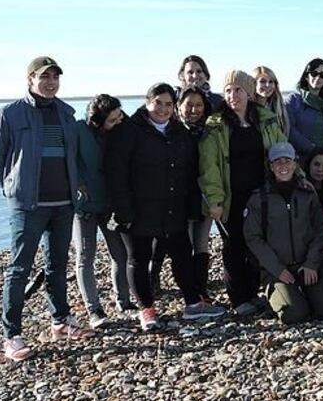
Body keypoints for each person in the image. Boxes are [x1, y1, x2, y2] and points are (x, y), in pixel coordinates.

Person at [0, 56, 93, 361]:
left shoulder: (66, 113)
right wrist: (12, 190)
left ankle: (61, 321)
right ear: (30, 79)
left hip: (63, 205)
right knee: (19, 269)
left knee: (57, 267)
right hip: (28, 207)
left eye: (55, 77)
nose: (50, 82)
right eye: (44, 77)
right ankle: (12, 335)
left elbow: (72, 157)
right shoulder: (10, 114)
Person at [104, 83, 225, 331]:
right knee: (139, 258)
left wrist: (192, 206)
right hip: (138, 210)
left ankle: (193, 303)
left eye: (169, 104)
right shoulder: (130, 130)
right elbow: (116, 172)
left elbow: (190, 172)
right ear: (147, 102)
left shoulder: (178, 132)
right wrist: (124, 210)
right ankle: (146, 309)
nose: (163, 109)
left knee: (182, 254)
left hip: (173, 208)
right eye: (158, 103)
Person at [199, 70, 287, 318]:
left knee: (258, 242)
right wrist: (214, 200)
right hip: (232, 195)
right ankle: (239, 298)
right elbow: (209, 167)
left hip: (262, 192)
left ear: (249, 92)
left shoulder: (266, 119)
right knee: (234, 246)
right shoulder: (215, 125)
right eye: (228, 90)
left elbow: (281, 151)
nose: (232, 95)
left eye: (237, 90)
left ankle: (255, 292)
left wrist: (294, 179)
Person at [243, 143, 323, 324]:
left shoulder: (307, 193)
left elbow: (321, 230)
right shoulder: (259, 198)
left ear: (295, 164)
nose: (283, 167)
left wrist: (312, 263)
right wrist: (277, 269)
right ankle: (276, 294)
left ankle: (305, 293)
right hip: (277, 270)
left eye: (287, 161)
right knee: (295, 315)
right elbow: (253, 238)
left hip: (306, 266)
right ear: (271, 166)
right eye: (278, 162)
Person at [73, 94, 133, 329]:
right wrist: (78, 185)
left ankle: (124, 301)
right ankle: (94, 309)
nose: (117, 122)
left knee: (121, 253)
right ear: (97, 120)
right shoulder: (78, 130)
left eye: (119, 116)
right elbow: (69, 159)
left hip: (109, 203)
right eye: (112, 119)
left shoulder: (120, 130)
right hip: (84, 206)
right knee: (85, 256)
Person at [177, 84, 215, 302]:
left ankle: (201, 289)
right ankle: (188, 291)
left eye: (199, 105)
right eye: (189, 104)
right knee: (184, 245)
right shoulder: (173, 130)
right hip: (181, 197)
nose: (194, 109)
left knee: (201, 243)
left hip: (205, 193)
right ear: (179, 106)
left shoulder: (209, 131)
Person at [286, 58, 323, 159]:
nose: (318, 77)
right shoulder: (293, 101)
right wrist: (312, 149)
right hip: (300, 160)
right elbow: (290, 129)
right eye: (314, 73)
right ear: (306, 77)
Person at [253, 66, 291, 139]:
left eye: (271, 81)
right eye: (262, 81)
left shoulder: (279, 109)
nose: (267, 85)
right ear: (253, 83)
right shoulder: (247, 109)